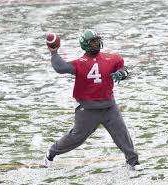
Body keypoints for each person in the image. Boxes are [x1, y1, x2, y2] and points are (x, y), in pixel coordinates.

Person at [44, 30, 140, 170]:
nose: (96, 43)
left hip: (109, 106)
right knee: (76, 138)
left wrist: (122, 73)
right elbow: (60, 67)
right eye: (92, 41)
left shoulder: (111, 58)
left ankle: (133, 161)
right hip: (87, 110)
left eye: (97, 40)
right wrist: (54, 52)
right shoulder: (79, 63)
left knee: (122, 133)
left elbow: (123, 68)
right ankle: (51, 152)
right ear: (85, 45)